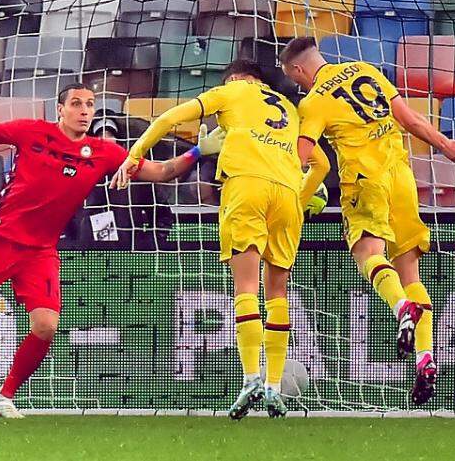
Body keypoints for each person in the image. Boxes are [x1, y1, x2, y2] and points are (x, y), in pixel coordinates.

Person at [0, 83, 226, 418]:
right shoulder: (32, 131)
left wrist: (198, 151)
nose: (84, 111)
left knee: (46, 325)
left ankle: (4, 398)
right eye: (76, 103)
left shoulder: (104, 152)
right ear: (60, 109)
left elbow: (160, 171)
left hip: (41, 250)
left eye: (89, 104)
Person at [113, 59, 329, 419]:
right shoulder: (288, 108)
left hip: (246, 187)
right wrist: (300, 198)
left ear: (236, 79)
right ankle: (274, 384)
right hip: (288, 196)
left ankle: (250, 379)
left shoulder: (230, 91)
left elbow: (167, 119)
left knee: (246, 288)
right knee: (277, 293)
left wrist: (133, 156)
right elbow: (319, 165)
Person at [279, 37, 455, 404]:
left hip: (364, 179)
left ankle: (401, 308)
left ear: (299, 69)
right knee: (411, 276)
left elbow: (301, 157)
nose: (295, 83)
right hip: (401, 177)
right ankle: (426, 360)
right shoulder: (366, 71)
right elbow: (410, 119)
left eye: (292, 76)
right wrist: (445, 144)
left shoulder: (314, 100)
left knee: (367, 252)